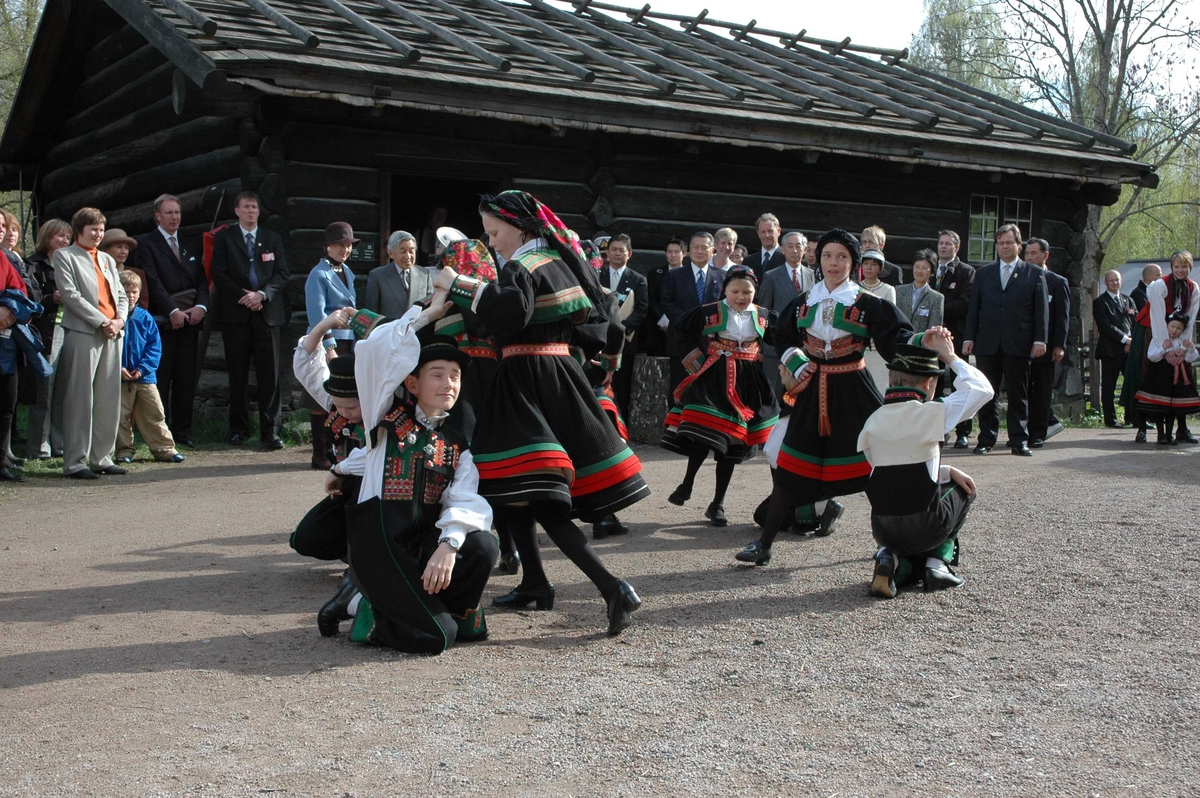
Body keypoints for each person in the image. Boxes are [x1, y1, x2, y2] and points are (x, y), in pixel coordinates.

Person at [432, 190, 648, 636]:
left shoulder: (521, 266)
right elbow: (597, 326)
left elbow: (510, 314)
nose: (492, 242)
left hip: (525, 379)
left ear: (522, 227)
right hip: (557, 375)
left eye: (495, 232)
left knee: (535, 490)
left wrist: (461, 284)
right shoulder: (560, 260)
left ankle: (613, 589)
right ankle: (535, 580)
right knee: (514, 483)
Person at [736, 229, 916, 566]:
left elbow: (899, 336)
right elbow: (782, 334)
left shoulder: (868, 303)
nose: (834, 263)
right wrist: (793, 358)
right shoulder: (805, 301)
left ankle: (894, 545)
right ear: (819, 260)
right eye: (829, 256)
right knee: (791, 466)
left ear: (854, 263)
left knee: (875, 467)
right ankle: (764, 544)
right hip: (811, 390)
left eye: (842, 257)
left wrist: (926, 341)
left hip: (853, 391)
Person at [324, 307, 498, 652]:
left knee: (483, 545)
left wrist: (448, 545)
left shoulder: (457, 444)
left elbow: (466, 499)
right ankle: (359, 606)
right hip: (380, 547)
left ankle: (445, 610)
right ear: (412, 383)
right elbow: (376, 351)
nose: (448, 383)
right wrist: (425, 315)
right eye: (437, 374)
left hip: (420, 546)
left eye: (455, 375)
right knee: (438, 637)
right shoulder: (381, 418)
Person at [860, 332, 993, 598]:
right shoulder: (935, 412)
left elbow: (892, 471)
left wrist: (944, 470)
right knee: (964, 489)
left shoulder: (872, 421)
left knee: (909, 510)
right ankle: (938, 564)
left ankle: (891, 559)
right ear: (930, 383)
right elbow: (982, 390)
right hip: (925, 526)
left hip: (883, 528)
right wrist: (951, 357)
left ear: (891, 379)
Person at [662, 266, 779, 525]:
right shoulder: (710, 312)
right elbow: (681, 329)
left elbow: (782, 338)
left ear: (755, 292)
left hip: (749, 383)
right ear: (724, 290)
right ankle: (687, 484)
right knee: (705, 434)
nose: (741, 296)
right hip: (715, 377)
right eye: (735, 290)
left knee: (731, 444)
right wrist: (696, 362)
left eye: (747, 292)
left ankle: (718, 504)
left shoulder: (763, 316)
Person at [53, 207, 128, 480]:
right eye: (93, 229)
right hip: (84, 332)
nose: (98, 234)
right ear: (79, 231)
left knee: (109, 397)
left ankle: (102, 458)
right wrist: (102, 321)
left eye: (101, 229)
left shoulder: (107, 259)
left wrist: (119, 320)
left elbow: (121, 295)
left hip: (112, 334)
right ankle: (75, 461)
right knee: (80, 398)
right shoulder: (65, 256)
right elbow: (70, 296)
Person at [211, 191, 289, 449]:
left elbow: (281, 274)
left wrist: (262, 295)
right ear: (237, 211)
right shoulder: (224, 238)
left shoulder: (272, 238)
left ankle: (271, 432)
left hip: (267, 315)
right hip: (236, 315)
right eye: (246, 207)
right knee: (238, 374)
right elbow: (219, 273)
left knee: (270, 376)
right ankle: (239, 430)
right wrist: (243, 297)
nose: (251, 211)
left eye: (254, 207)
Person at [290, 306, 366, 567]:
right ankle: (350, 549)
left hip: (384, 493)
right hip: (348, 489)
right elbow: (307, 366)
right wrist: (323, 326)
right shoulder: (336, 402)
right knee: (305, 539)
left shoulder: (385, 411)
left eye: (352, 407)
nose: (345, 412)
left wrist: (339, 469)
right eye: (340, 405)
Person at [963, 223, 1048, 456]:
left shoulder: (1033, 273)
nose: (1005, 247)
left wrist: (1040, 340)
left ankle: (1018, 439)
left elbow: (1041, 310)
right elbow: (974, 309)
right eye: (1001, 243)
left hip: (1018, 342)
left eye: (1009, 242)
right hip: (987, 342)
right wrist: (969, 337)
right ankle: (986, 439)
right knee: (987, 392)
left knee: (1017, 393)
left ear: (1018, 245)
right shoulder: (983, 274)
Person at [134, 194, 208, 448]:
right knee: (162, 378)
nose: (174, 217)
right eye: (169, 213)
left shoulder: (189, 244)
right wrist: (172, 311)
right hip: (162, 324)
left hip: (190, 322)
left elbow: (201, 279)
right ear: (157, 216)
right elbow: (152, 282)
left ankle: (183, 432)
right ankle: (158, 434)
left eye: (177, 212)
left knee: (186, 378)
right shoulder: (146, 244)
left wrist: (201, 306)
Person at [303, 222, 359, 469]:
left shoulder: (347, 271)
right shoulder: (318, 274)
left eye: (348, 245)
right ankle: (319, 453)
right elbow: (317, 314)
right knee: (319, 398)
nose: (344, 249)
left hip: (348, 342)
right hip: (326, 342)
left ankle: (338, 449)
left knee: (342, 396)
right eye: (339, 244)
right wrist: (329, 346)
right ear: (327, 246)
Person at [114, 271, 185, 465]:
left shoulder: (145, 318)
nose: (130, 295)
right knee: (120, 417)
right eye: (126, 290)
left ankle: (164, 449)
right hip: (120, 377)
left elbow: (154, 347)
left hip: (145, 377)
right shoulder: (113, 317)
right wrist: (118, 368)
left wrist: (143, 368)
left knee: (154, 413)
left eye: (134, 291)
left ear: (139, 294)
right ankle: (123, 450)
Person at [23, 219, 72, 460]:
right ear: (47, 237)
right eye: (59, 236)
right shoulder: (34, 264)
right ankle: (39, 447)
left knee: (62, 391)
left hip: (70, 329)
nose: (64, 241)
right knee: (44, 391)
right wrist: (50, 298)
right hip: (47, 332)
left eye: (67, 237)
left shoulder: (71, 263)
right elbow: (29, 300)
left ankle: (59, 444)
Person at [1140, 251, 1199, 444]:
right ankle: (1156, 431)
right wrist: (1166, 349)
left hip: (1180, 338)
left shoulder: (1194, 288)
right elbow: (1157, 319)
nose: (1180, 270)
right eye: (1177, 267)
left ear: (1189, 268)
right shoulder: (1159, 286)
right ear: (1171, 267)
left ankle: (1181, 429)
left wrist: (1182, 347)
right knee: (1159, 380)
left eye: (1184, 267)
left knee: (1181, 382)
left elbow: (1190, 320)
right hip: (1160, 336)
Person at [661, 232, 724, 403]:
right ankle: (676, 425)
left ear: (713, 251)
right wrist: (690, 321)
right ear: (689, 251)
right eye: (696, 247)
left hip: (712, 342)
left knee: (709, 388)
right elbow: (667, 303)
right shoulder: (674, 275)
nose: (699, 251)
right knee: (679, 387)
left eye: (704, 247)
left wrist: (709, 324)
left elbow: (724, 305)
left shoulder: (722, 276)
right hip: (681, 342)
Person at [1022, 238, 1069, 447]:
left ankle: (1038, 433)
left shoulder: (1057, 282)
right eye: (1027, 253)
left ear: (1045, 255)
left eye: (1034, 253)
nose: (1030, 257)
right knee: (1021, 391)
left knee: (1041, 390)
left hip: (1046, 346)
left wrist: (1059, 345)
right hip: (1020, 345)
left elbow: (1063, 317)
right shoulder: (1020, 279)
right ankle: (1019, 432)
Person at [933, 230, 976, 448]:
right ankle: (938, 429)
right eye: (941, 243)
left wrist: (936, 310)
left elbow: (966, 302)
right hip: (933, 335)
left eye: (948, 244)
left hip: (956, 335)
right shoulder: (931, 268)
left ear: (956, 248)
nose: (943, 247)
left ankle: (963, 432)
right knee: (935, 382)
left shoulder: (966, 272)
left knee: (961, 383)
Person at [758, 231, 816, 393]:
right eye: (790, 246)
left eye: (799, 246)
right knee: (772, 394)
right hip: (775, 349)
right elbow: (763, 313)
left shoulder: (813, 277)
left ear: (805, 249)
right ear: (782, 249)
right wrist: (761, 347)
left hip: (805, 349)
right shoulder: (771, 276)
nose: (794, 250)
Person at [599, 234, 648, 417]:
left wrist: (619, 329)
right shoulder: (597, 275)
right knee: (599, 382)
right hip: (599, 339)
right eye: (614, 249)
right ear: (608, 252)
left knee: (623, 385)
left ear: (630, 254)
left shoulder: (638, 279)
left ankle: (622, 424)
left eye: (622, 250)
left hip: (625, 341)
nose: (617, 253)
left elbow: (641, 310)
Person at [1135, 312, 1199, 443]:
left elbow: (1191, 358)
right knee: (1160, 407)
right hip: (1161, 377)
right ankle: (1161, 435)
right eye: (1172, 326)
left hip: (1177, 380)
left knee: (1172, 409)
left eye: (1179, 328)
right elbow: (1152, 356)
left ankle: (1169, 435)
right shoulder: (1159, 339)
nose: (1175, 330)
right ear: (1167, 326)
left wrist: (1189, 349)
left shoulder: (1183, 341)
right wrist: (1164, 349)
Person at [1121, 262, 1163, 442]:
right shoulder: (1139, 294)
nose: (1161, 277)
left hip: (1157, 341)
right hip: (1144, 341)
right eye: (1158, 274)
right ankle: (1139, 421)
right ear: (1148, 277)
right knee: (1141, 379)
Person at [0, 245, 31, 482]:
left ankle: (0, 463)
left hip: (5, 345)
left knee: (6, 404)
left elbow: (20, 290)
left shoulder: (2, 257)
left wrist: (9, 309)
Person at [1092, 269, 1136, 429]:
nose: (1114, 283)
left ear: (1121, 280)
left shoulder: (1129, 300)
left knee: (1132, 384)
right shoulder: (1100, 302)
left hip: (1129, 350)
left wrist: (1132, 342)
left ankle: (1132, 417)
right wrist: (1126, 339)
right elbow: (1105, 326)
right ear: (1106, 283)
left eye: (1117, 280)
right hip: (1110, 350)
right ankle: (1111, 420)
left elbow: (1135, 321)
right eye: (1111, 280)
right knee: (1109, 387)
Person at [364, 230, 434, 318]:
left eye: (411, 251)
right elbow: (372, 313)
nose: (408, 256)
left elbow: (430, 307)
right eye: (403, 251)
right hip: (390, 330)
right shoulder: (378, 276)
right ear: (390, 253)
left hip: (417, 329)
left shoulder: (424, 274)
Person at [860, 249, 897, 394]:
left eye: (873, 265)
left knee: (879, 388)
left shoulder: (888, 290)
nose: (869, 268)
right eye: (866, 264)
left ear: (880, 268)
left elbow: (889, 318)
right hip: (858, 346)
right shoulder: (854, 288)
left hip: (879, 347)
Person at [643, 237, 685, 358]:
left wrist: (675, 322)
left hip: (681, 327)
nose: (673, 255)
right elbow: (651, 299)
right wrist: (664, 321)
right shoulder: (656, 273)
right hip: (658, 328)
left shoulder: (689, 275)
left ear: (684, 253)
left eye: (676, 252)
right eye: (669, 252)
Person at [895, 249, 944, 333]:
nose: (919, 271)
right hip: (898, 341)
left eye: (924, 268)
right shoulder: (898, 290)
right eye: (917, 267)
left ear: (932, 272)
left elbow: (934, 328)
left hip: (920, 343)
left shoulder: (936, 298)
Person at [99, 229, 148, 310]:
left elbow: (143, 305)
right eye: (119, 247)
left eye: (126, 248)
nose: (123, 252)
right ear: (105, 250)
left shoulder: (138, 273)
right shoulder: (99, 273)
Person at [746, 213, 785, 281]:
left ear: (778, 231)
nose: (767, 235)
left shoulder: (787, 258)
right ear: (758, 233)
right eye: (763, 232)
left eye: (770, 231)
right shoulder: (748, 261)